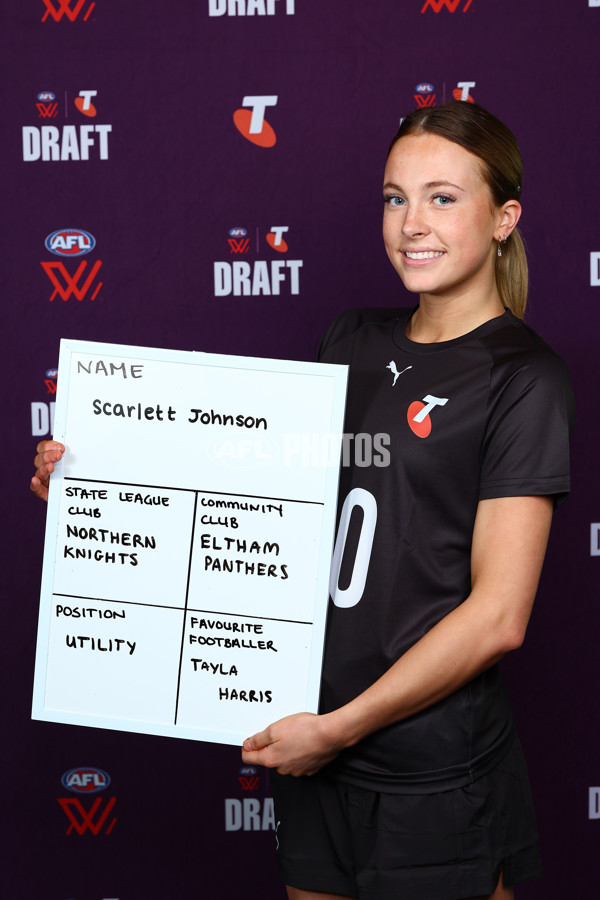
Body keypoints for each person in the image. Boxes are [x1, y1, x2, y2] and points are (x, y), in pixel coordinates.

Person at [32, 102, 574, 900]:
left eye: (442, 197)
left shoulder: (524, 378)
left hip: (426, 770)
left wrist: (340, 729)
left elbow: (499, 616)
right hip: (309, 741)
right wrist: (101, 493)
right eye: (395, 198)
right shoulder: (350, 337)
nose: (412, 224)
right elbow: (265, 510)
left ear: (504, 218)